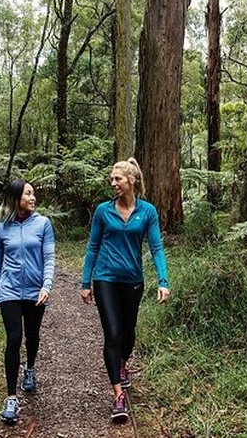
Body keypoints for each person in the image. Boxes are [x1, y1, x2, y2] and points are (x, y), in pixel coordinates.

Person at [80, 158, 170, 422]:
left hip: (133, 280)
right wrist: (85, 283)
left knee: (128, 333)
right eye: (111, 179)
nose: (113, 183)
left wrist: (163, 281)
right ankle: (118, 396)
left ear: (131, 180)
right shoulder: (103, 211)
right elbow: (93, 247)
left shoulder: (148, 212)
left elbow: (156, 248)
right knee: (113, 333)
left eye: (117, 178)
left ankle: (122, 364)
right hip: (105, 278)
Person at [0, 179, 55, 424]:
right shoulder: (1, 227)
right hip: (9, 291)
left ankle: (30, 369)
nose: (33, 197)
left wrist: (46, 286)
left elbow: (49, 258)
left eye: (33, 193)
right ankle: (11, 398)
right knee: (14, 339)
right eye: (28, 193)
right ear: (16, 198)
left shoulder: (43, 224)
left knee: (32, 335)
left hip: (36, 291)